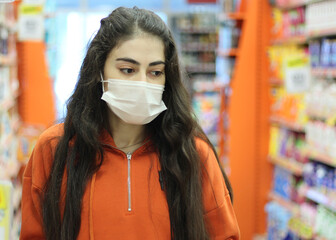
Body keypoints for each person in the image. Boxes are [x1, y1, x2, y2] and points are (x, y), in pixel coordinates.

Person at [20, 6, 240, 240]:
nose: (142, 83)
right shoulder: (55, 149)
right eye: (127, 70)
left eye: (155, 72)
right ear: (99, 71)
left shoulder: (193, 154)